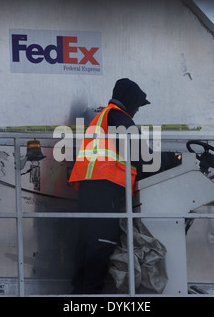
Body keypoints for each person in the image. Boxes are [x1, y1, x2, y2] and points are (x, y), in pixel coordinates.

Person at [68, 78, 180, 294]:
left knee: (88, 244)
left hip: (92, 189)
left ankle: (79, 294)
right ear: (130, 101)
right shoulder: (120, 119)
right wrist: (173, 159)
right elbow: (145, 160)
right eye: (138, 105)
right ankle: (89, 296)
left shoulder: (106, 117)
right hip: (104, 190)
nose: (138, 110)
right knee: (101, 244)